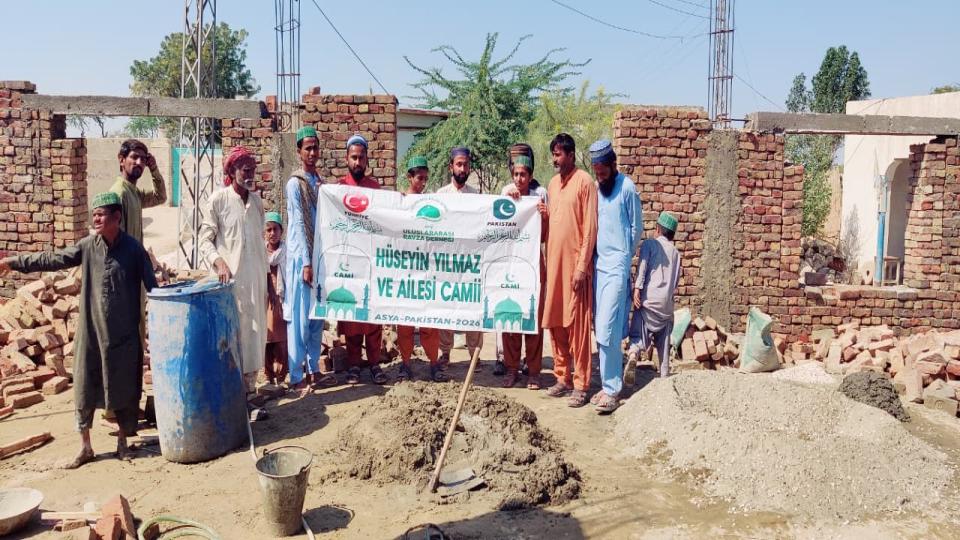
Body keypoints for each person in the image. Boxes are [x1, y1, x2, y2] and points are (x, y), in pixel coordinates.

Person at [0, 192, 157, 469]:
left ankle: (123, 442)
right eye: (94, 214)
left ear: (117, 217)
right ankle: (85, 446)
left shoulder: (134, 250)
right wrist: (14, 262)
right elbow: (53, 258)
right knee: (84, 386)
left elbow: (154, 288)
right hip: (91, 333)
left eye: (101, 214)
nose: (96, 219)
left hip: (124, 336)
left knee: (124, 386)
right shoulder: (87, 247)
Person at [198, 146, 267, 401]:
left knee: (254, 337)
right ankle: (232, 398)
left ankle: (249, 394)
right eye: (245, 170)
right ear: (232, 171)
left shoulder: (257, 202)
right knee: (232, 338)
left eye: (252, 170)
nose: (250, 175)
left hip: (255, 281)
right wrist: (219, 262)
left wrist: (268, 282)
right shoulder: (219, 200)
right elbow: (204, 240)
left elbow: (260, 243)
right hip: (231, 284)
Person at [542, 133, 598, 408]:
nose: (555, 160)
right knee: (556, 325)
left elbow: (590, 228)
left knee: (577, 328)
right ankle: (562, 376)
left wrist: (581, 267)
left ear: (571, 155)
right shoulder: (553, 185)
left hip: (575, 269)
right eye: (553, 154)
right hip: (554, 267)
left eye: (559, 155)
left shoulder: (585, 182)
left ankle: (581, 384)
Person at [588, 140, 642, 414]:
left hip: (617, 265)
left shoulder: (627, 188)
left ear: (613, 164)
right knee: (601, 329)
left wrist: (624, 256)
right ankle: (608, 382)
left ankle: (612, 390)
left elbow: (636, 228)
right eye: (596, 172)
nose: (600, 176)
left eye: (603, 171)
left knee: (607, 327)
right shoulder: (596, 189)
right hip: (599, 266)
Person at [285, 126, 336, 393]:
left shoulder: (319, 183)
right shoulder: (295, 184)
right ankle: (296, 375)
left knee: (316, 317)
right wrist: (306, 262)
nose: (313, 153)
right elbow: (298, 223)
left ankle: (314, 368)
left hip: (319, 258)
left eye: (316, 148)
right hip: (301, 260)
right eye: (308, 148)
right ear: (299, 151)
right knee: (299, 319)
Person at [337, 134, 386, 385]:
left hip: (371, 261)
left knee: (372, 317)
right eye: (354, 157)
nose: (358, 162)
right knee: (352, 317)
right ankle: (354, 365)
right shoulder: (338, 190)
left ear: (367, 159)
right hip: (348, 262)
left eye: (361, 157)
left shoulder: (375, 189)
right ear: (347, 158)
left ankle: (375, 364)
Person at [395, 156, 447, 383]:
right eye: (419, 178)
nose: (423, 183)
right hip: (406, 271)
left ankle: (434, 364)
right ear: (410, 177)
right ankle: (405, 364)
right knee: (405, 325)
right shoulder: (401, 202)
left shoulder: (430, 204)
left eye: (426, 178)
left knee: (429, 323)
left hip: (427, 272)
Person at [500, 153, 549, 389]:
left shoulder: (538, 199)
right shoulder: (506, 195)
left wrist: (544, 216)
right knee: (510, 318)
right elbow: (497, 228)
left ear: (530, 177)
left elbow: (545, 237)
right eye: (516, 174)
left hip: (533, 265)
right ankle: (511, 368)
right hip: (511, 265)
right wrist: (508, 203)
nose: (519, 179)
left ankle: (534, 371)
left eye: (523, 175)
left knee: (533, 320)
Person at [437, 146, 484, 367]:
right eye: (458, 164)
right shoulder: (440, 196)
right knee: (446, 307)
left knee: (472, 306)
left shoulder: (476, 196)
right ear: (451, 167)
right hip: (447, 262)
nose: (462, 169)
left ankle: (474, 354)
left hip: (469, 262)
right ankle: (444, 352)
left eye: (465, 165)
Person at [627, 212, 681, 380]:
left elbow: (642, 268)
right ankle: (664, 373)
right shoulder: (676, 253)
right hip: (666, 307)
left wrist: (637, 289)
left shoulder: (649, 244)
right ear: (672, 235)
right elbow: (675, 282)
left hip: (648, 302)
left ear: (657, 228)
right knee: (664, 342)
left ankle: (633, 355)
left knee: (637, 335)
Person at [110, 138, 167, 244]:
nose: (139, 162)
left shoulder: (135, 193)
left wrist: (154, 169)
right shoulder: (119, 194)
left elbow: (160, 197)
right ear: (121, 160)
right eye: (134, 157)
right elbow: (116, 242)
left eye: (143, 159)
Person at [264, 211, 288, 386]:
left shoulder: (287, 251)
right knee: (266, 339)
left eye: (276, 229)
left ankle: (281, 375)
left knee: (282, 339)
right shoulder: (260, 252)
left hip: (282, 298)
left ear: (281, 231)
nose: (272, 233)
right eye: (269, 229)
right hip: (264, 299)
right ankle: (268, 375)